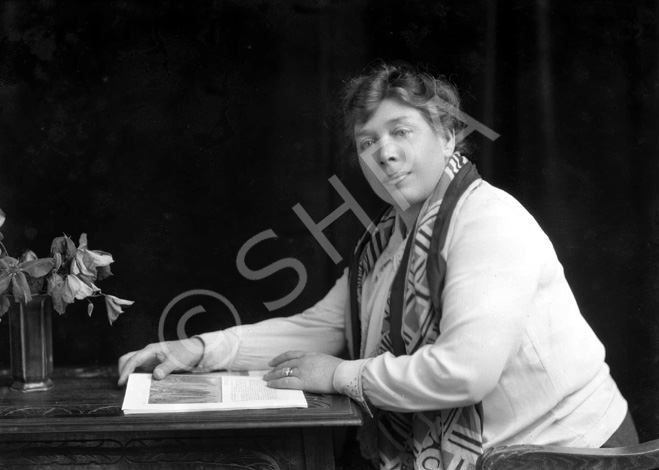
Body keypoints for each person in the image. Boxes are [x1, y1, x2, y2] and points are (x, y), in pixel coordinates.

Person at [117, 61, 637, 470]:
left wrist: (341, 376)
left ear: (448, 134)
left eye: (401, 132)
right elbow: (322, 328)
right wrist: (199, 348)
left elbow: (465, 374)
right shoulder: (386, 238)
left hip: (567, 455)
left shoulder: (487, 221)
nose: (383, 154)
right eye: (368, 142)